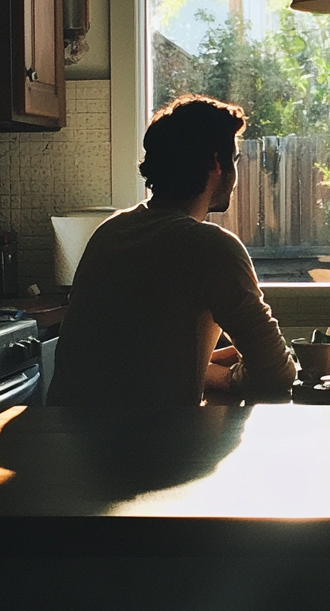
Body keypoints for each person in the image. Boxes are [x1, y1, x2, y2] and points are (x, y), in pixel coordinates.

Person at [48, 94, 296, 406]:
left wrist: (203, 369)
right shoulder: (211, 248)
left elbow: (134, 360)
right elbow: (275, 373)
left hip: (71, 442)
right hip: (151, 446)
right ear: (217, 163)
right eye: (233, 160)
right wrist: (229, 377)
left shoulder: (110, 232)